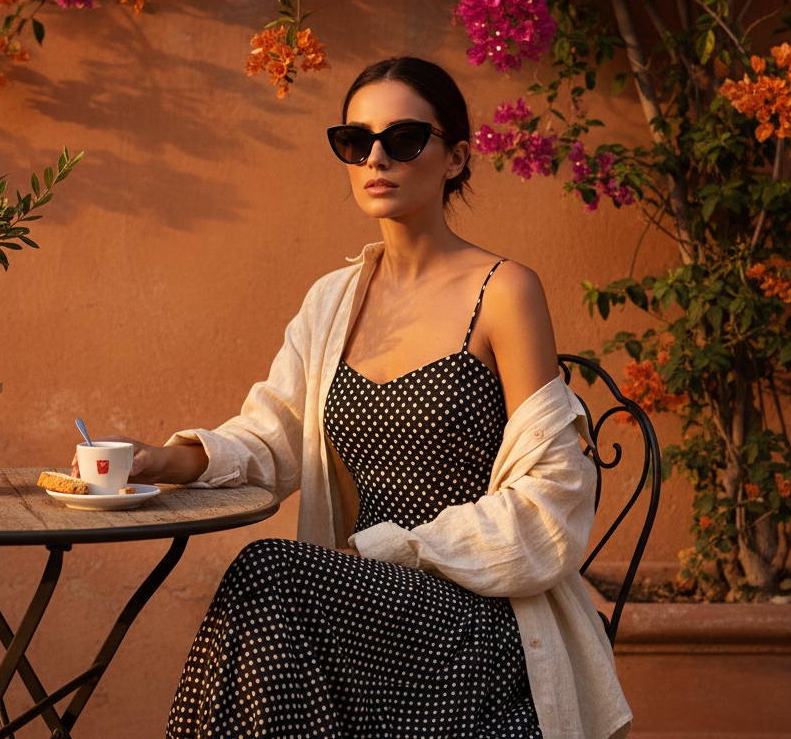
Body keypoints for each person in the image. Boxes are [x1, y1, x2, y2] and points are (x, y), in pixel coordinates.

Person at [87, 56, 631, 739]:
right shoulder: (333, 301)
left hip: (475, 617)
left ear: (457, 158)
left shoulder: (505, 292)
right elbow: (274, 434)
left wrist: (392, 549)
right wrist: (164, 460)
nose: (376, 157)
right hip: (363, 611)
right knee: (270, 620)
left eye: (403, 138)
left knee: (271, 573)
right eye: (355, 140)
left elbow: (554, 497)